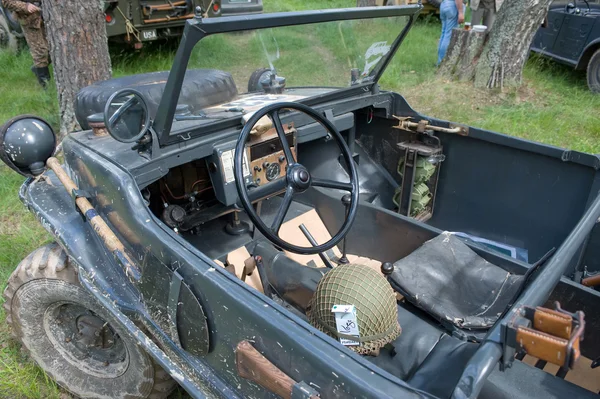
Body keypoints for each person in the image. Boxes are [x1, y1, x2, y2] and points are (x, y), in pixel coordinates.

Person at [2, 0, 50, 88]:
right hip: (29, 18)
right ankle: (45, 86)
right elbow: (7, 2)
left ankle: (37, 69)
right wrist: (25, 6)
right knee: (40, 52)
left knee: (53, 49)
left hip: (48, 15)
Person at [437, 0, 465, 66]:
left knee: (444, 33)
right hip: (453, 6)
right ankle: (443, 62)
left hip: (444, 4)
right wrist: (460, 12)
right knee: (449, 35)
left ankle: (439, 60)